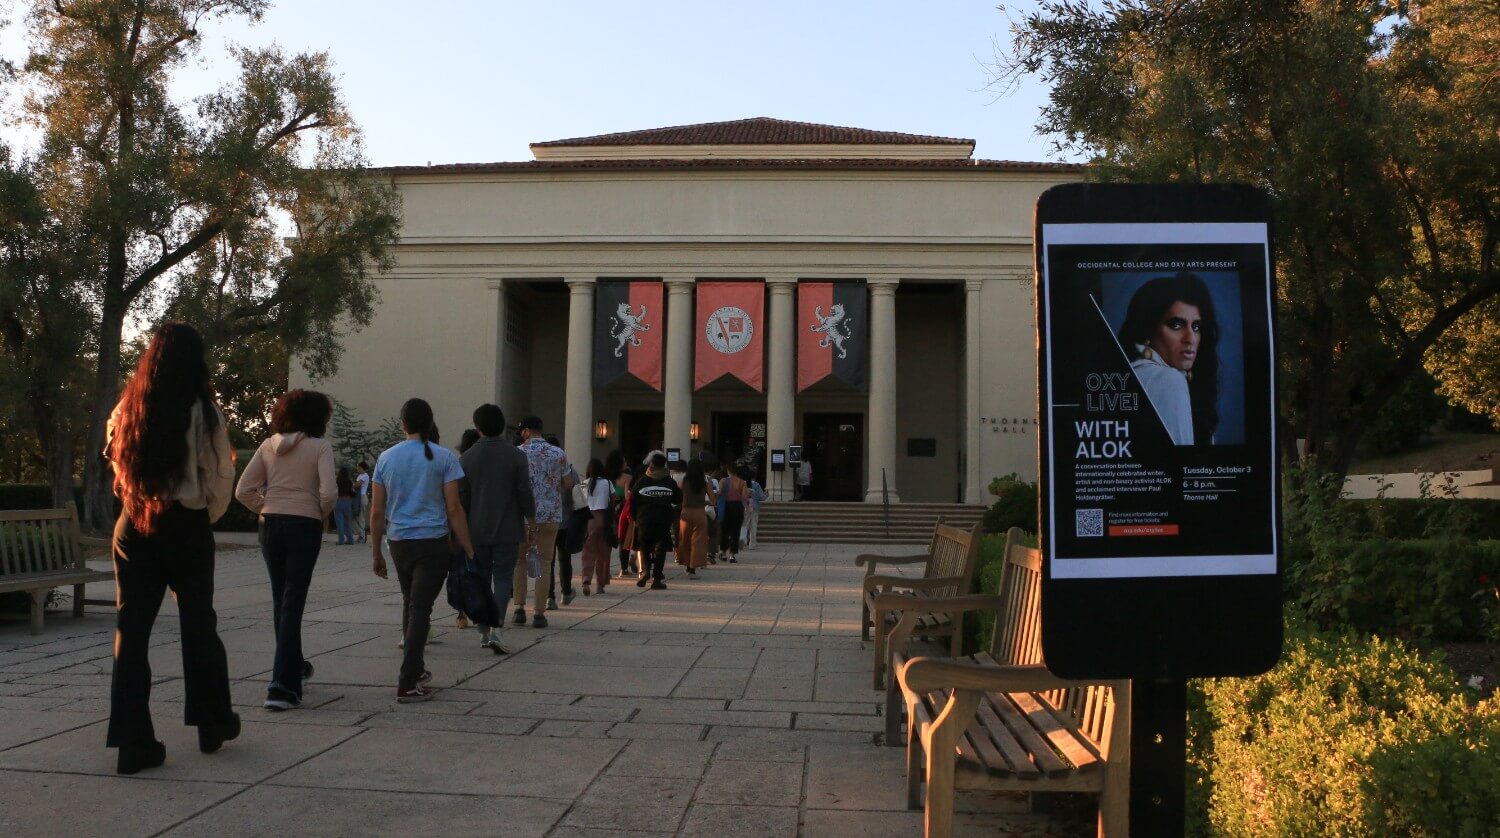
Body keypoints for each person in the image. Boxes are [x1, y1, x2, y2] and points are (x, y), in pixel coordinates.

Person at [104, 322, 238, 774]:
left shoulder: (129, 406)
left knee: (131, 631)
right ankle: (212, 721)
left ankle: (132, 743)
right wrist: (204, 515)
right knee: (199, 624)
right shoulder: (204, 410)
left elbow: (116, 460)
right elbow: (219, 474)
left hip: (135, 522)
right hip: (184, 523)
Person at [235, 389, 338, 711]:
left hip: (271, 525)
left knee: (281, 600)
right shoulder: (320, 447)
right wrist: (318, 513)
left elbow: (243, 490)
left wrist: (267, 506)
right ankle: (282, 686)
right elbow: (329, 492)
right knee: (293, 602)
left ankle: (294, 667)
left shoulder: (268, 445)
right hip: (303, 525)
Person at [369, 398, 475, 702]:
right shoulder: (444, 458)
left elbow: (377, 511)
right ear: (430, 423)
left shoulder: (386, 458)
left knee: (411, 603)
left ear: (403, 424)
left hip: (399, 541)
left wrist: (376, 552)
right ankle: (407, 681)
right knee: (420, 608)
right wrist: (468, 547)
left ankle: (414, 669)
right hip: (432, 541)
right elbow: (454, 509)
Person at [458, 404, 534, 654]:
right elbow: (524, 492)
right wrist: (531, 517)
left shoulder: (466, 458)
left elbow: (462, 500)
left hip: (476, 529)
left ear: (477, 427)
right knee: (503, 578)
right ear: (502, 426)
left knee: (480, 578)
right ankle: (496, 627)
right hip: (507, 527)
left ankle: (482, 629)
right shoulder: (516, 456)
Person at [1117, 272, 1220, 446]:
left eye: (1196, 327)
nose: (1190, 338)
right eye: (1176, 325)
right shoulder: (1169, 380)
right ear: (1148, 329)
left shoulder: (1132, 373)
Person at [516, 416, 571, 625]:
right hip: (549, 514)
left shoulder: (517, 452)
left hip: (523, 515)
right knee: (545, 563)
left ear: (527, 431)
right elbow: (568, 482)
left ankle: (519, 608)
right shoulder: (558, 453)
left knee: (520, 561)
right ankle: (539, 612)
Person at [631, 453, 682, 590]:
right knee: (661, 549)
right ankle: (657, 578)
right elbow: (678, 498)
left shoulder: (642, 481)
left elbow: (633, 501)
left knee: (645, 547)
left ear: (651, 465)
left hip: (644, 519)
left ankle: (646, 570)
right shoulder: (669, 482)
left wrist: (635, 518)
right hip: (662, 519)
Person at [549, 437, 582, 609]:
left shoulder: (542, 468)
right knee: (564, 558)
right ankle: (566, 591)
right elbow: (577, 491)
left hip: (546, 519)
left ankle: (549, 596)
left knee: (547, 561)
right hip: (565, 519)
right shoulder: (569, 471)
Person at [676, 459, 716, 577]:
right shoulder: (705, 483)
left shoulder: (685, 481)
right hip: (700, 513)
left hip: (686, 513)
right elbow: (713, 501)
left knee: (685, 540)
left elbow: (679, 496)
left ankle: (687, 564)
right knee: (698, 541)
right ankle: (693, 568)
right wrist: (705, 502)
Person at [580, 457, 612, 595]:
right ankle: (600, 584)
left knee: (588, 552)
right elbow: (613, 499)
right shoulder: (607, 483)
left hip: (588, 520)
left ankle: (586, 580)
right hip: (603, 518)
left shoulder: (583, 484)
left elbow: (578, 503)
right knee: (603, 553)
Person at [718, 465, 747, 563]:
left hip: (726, 506)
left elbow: (720, 492)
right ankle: (732, 555)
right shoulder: (742, 482)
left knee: (724, 530)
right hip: (737, 506)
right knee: (735, 531)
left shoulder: (723, 481)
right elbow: (744, 497)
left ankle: (723, 552)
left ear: (728, 470)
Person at [333, 468, 358, 545]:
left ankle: (341, 540)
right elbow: (352, 492)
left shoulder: (337, 482)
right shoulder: (349, 482)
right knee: (348, 522)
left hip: (338, 502)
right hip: (347, 502)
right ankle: (350, 540)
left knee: (339, 522)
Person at [743, 469, 766, 549]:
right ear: (754, 477)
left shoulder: (742, 484)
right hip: (755, 507)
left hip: (745, 506)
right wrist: (766, 495)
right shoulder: (756, 485)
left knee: (744, 525)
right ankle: (752, 544)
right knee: (753, 526)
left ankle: (742, 542)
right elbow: (762, 497)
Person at [354, 461, 371, 542]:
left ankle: (362, 535)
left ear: (361, 467)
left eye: (358, 467)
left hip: (362, 496)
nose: (357, 468)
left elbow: (357, 485)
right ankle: (360, 534)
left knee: (361, 516)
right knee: (358, 516)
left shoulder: (365, 476)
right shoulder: (360, 476)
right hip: (358, 496)